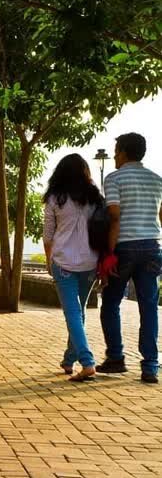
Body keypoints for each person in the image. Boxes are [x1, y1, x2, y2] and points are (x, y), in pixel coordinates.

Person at [98, 133, 162, 383]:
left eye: (116, 151)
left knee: (111, 302)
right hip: (152, 247)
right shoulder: (157, 180)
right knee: (149, 307)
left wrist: (109, 253)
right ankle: (150, 365)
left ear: (124, 152)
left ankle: (116, 357)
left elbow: (114, 215)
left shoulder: (114, 178)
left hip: (124, 246)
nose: (114, 156)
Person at [43, 153, 104, 382]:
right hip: (90, 262)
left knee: (73, 313)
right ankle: (69, 359)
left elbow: (48, 235)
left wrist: (50, 261)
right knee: (78, 313)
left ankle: (87, 362)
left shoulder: (54, 198)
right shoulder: (95, 197)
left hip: (63, 261)